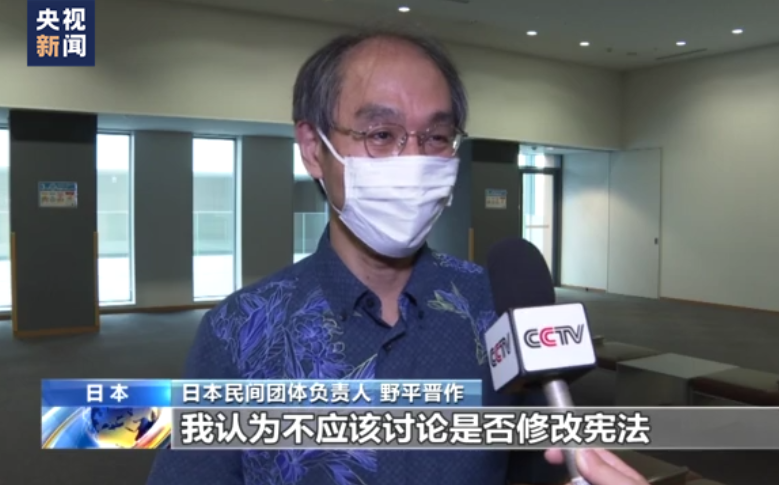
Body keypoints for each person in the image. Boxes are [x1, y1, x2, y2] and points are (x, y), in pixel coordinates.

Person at [147, 29, 648, 485]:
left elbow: (536, 465)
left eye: (436, 137)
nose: (414, 160)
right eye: (382, 135)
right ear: (313, 149)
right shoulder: (238, 330)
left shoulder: (494, 307)